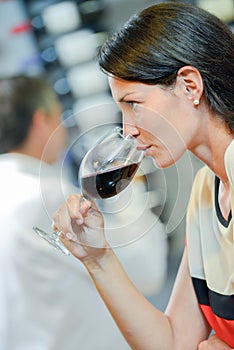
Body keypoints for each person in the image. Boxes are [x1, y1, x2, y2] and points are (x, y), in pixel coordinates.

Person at [53, 2, 234, 350]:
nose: (128, 130)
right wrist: (96, 257)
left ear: (189, 86)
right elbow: (174, 342)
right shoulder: (204, 192)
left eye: (133, 103)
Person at [0, 75, 167, 350]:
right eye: (59, 117)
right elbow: (147, 270)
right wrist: (130, 190)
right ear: (41, 122)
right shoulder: (43, 195)